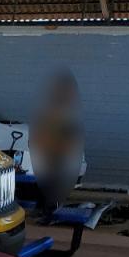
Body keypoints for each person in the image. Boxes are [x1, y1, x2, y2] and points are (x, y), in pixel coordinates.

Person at [29, 68, 84, 222]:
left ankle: (47, 210)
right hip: (52, 149)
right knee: (48, 180)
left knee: (53, 181)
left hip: (58, 150)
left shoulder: (64, 107)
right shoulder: (56, 105)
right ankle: (44, 209)